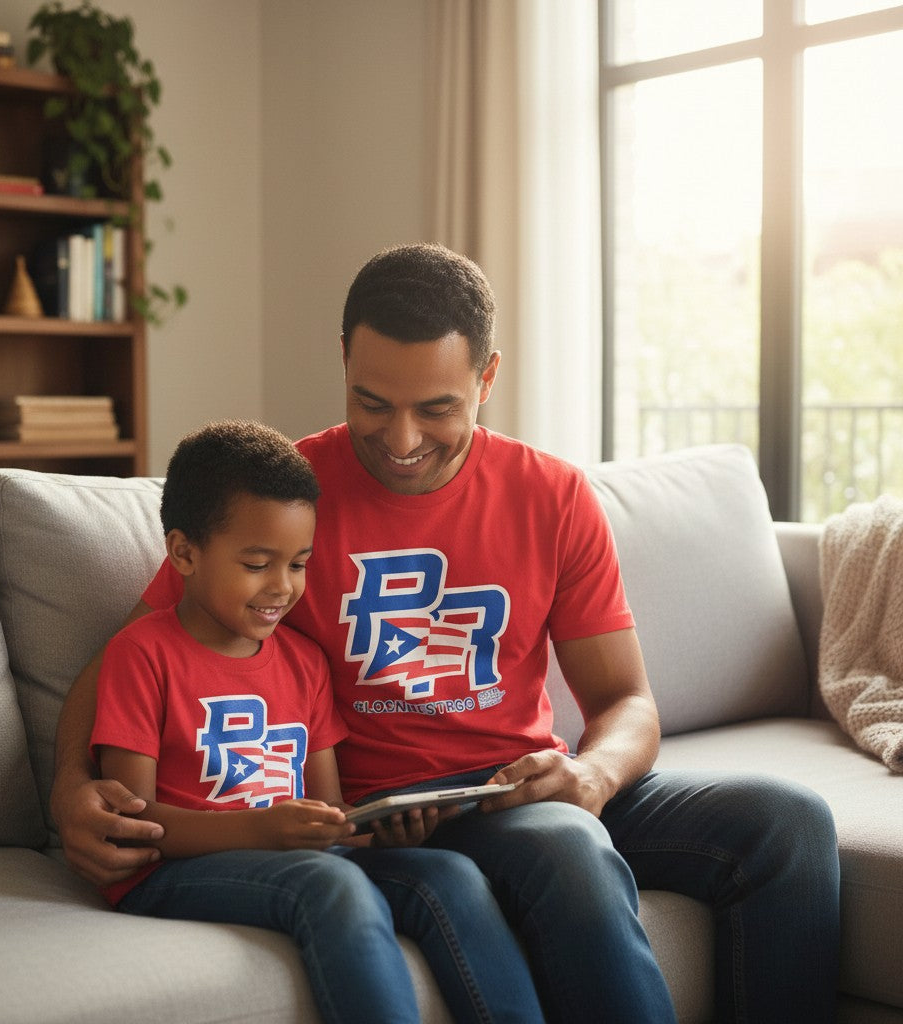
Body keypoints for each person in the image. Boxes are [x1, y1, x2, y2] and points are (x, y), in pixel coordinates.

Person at [55, 245, 841, 1023]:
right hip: (383, 814)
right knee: (566, 847)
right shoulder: (282, 503)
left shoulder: (553, 497)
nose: (400, 439)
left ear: (486, 379)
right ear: (343, 359)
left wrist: (593, 776)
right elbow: (133, 654)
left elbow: (627, 701)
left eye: (435, 409)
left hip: (517, 786)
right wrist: (69, 789)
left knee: (788, 825)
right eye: (371, 402)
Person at [89, 418, 544, 1024]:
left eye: (299, 564)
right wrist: (262, 830)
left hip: (295, 855)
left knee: (451, 875)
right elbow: (134, 827)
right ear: (184, 554)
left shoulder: (305, 663)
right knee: (333, 885)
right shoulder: (141, 655)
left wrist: (383, 832)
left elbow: (333, 817)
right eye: (258, 564)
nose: (282, 587)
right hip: (171, 871)